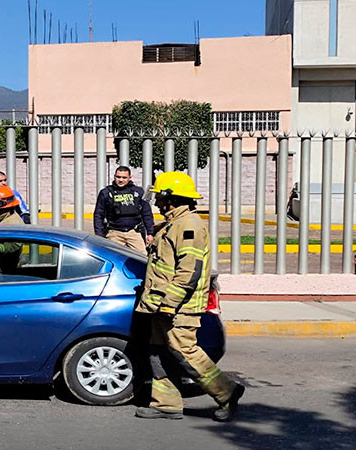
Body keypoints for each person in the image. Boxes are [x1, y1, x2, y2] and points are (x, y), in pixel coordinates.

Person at [134, 172, 244, 422]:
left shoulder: (189, 226)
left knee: (184, 352)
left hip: (178, 308)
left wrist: (169, 304)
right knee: (159, 353)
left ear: (171, 198)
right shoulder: (173, 224)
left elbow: (189, 271)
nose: (157, 202)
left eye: (160, 197)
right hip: (161, 306)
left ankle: (227, 392)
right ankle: (166, 404)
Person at [93, 166, 154, 255]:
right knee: (112, 257)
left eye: (124, 177)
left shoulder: (138, 192)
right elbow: (98, 214)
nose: (121, 180)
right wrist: (99, 236)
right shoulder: (106, 193)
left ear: (130, 178)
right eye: (118, 177)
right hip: (114, 233)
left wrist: (150, 233)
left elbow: (147, 213)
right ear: (114, 177)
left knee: (143, 258)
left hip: (134, 232)